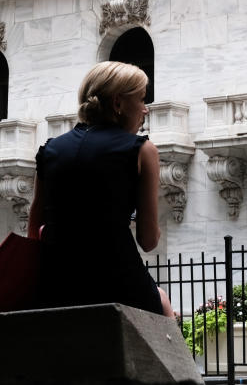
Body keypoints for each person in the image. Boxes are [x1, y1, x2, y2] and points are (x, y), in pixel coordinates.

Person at [28, 61, 174, 317]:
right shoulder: (141, 150)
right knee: (162, 303)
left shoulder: (49, 150)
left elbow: (34, 227)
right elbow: (148, 241)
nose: (145, 109)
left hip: (55, 286)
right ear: (118, 104)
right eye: (141, 99)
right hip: (118, 283)